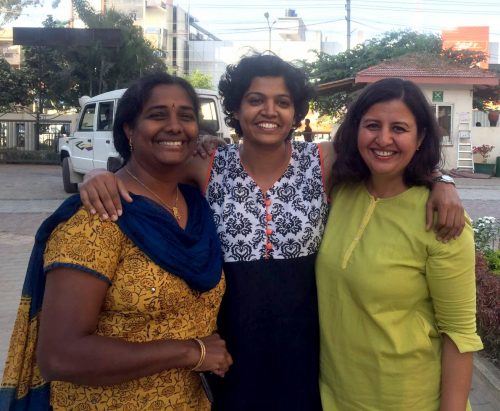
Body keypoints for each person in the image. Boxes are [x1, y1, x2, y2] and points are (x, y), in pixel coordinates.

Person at [77, 53, 464, 410]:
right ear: (236, 108)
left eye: (282, 102)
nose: (269, 111)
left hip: (307, 347)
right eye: (255, 99)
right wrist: (99, 175)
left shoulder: (323, 161)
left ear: (296, 111)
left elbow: (387, 152)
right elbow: (147, 173)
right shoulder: (207, 163)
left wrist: (442, 180)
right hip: (232, 345)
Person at [0, 73, 232, 410]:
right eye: (157, 115)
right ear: (128, 130)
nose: (174, 126)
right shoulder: (98, 216)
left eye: (186, 116)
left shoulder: (197, 203)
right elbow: (60, 355)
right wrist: (190, 351)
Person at [316, 78, 483, 410]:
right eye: (373, 125)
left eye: (400, 129)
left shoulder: (441, 217)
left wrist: (442, 180)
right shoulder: (342, 190)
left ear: (420, 137)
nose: (384, 139)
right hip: (334, 396)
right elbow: (272, 150)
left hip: (409, 399)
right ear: (356, 130)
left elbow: (459, 335)